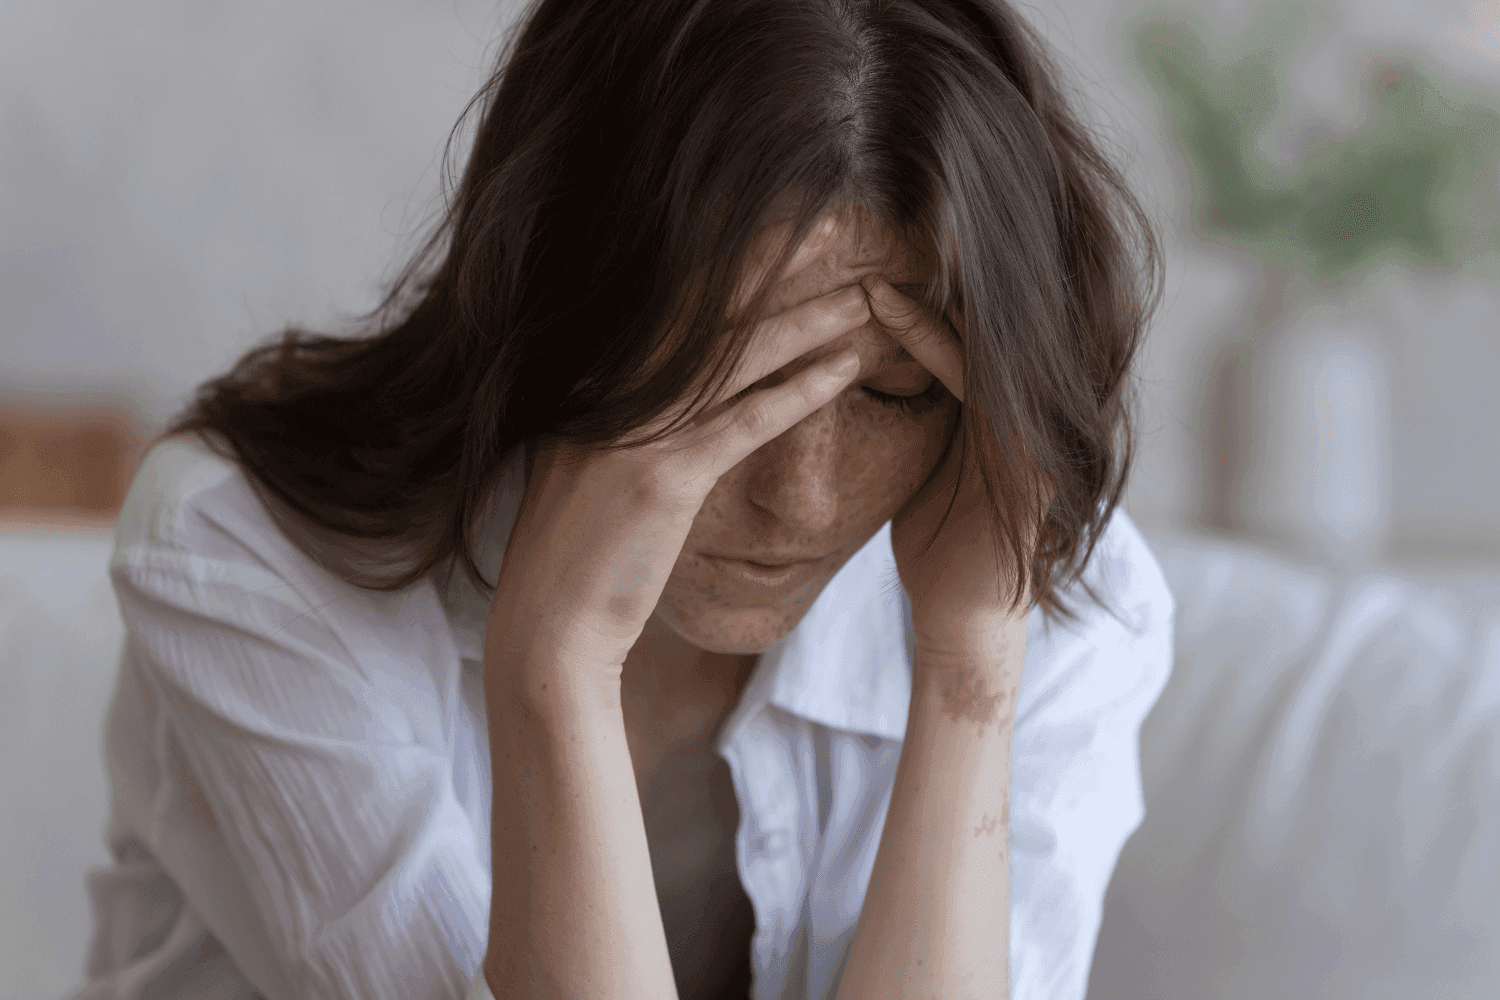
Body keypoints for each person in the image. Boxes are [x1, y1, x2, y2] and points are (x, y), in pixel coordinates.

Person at [73, 0, 1174, 998]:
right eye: (730, 392)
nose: (799, 497)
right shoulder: (243, 557)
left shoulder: (1050, 598)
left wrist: (967, 678)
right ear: (559, 300)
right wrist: (552, 665)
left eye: (894, 394)